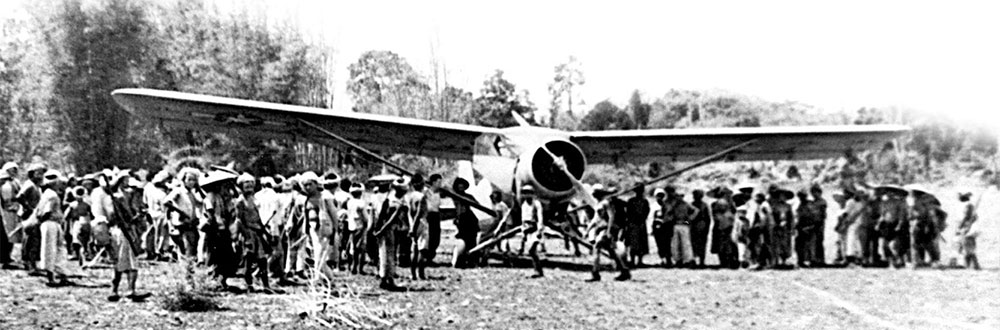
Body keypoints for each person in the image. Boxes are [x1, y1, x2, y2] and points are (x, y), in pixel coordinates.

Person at [107, 170, 150, 302]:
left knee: (129, 261)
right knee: (122, 261)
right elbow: (114, 216)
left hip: (129, 229)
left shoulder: (128, 197)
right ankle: (116, 290)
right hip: (122, 231)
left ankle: (130, 289)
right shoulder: (117, 198)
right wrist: (130, 219)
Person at [235, 173, 275, 293]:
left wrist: (266, 233)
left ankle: (266, 286)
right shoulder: (240, 201)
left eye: (251, 185)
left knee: (262, 260)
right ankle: (249, 285)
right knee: (249, 260)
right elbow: (239, 220)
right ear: (241, 187)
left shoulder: (255, 199)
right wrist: (246, 236)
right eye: (246, 186)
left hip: (257, 232)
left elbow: (258, 217)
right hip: (248, 232)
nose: (249, 188)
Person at [200, 169, 240, 289]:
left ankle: (222, 280)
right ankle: (214, 280)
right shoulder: (211, 197)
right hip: (215, 229)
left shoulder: (222, 197)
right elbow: (210, 213)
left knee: (225, 256)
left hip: (222, 228)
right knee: (215, 255)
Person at [585, 185, 630, 282]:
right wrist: (588, 230)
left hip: (607, 229)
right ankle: (624, 271)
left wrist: (609, 231)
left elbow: (611, 217)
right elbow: (596, 219)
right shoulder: (599, 204)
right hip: (602, 229)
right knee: (612, 251)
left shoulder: (606, 203)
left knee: (597, 247)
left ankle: (595, 273)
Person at [37, 170, 74, 286]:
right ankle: (51, 278)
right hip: (50, 222)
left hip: (54, 222)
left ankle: (61, 275)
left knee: (59, 249)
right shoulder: (51, 195)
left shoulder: (48, 193)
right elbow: (47, 211)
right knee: (50, 249)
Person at [373, 177, 409, 291]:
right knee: (387, 255)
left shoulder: (390, 199)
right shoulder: (395, 201)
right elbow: (390, 219)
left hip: (389, 229)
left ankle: (386, 279)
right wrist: (381, 229)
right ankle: (387, 279)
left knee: (386, 254)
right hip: (388, 229)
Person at [163, 168, 202, 260]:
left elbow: (200, 203)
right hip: (181, 222)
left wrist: (199, 189)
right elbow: (166, 202)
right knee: (185, 244)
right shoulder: (179, 191)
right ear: (183, 180)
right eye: (189, 180)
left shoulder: (191, 193)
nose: (191, 182)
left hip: (190, 221)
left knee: (191, 244)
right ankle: (184, 264)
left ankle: (187, 263)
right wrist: (180, 212)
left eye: (193, 180)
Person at [18, 163, 46, 275]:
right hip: (29, 215)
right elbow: (20, 197)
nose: (40, 175)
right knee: (31, 240)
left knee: (33, 240)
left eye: (42, 173)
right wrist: (28, 208)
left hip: (33, 214)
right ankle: (30, 265)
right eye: (38, 173)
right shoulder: (29, 185)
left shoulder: (37, 186)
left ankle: (31, 263)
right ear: (32, 174)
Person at [450, 178, 479, 268]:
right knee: (462, 240)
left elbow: (477, 204)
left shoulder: (469, 197)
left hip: (470, 219)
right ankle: (460, 259)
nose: (461, 187)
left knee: (471, 240)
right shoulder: (454, 197)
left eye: (463, 185)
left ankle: (472, 260)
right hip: (461, 220)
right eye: (459, 185)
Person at [141, 171, 170, 261]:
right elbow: (164, 207)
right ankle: (158, 252)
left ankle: (150, 251)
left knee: (151, 234)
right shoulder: (162, 194)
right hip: (160, 214)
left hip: (151, 213)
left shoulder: (147, 188)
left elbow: (145, 201)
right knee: (161, 235)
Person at [405, 175, 429, 280]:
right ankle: (421, 273)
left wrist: (411, 226)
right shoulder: (421, 197)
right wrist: (414, 228)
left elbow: (410, 213)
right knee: (422, 250)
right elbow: (419, 213)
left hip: (412, 222)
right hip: (421, 223)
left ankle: (413, 273)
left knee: (414, 250)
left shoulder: (409, 196)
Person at [519, 185, 545, 278]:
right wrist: (523, 232)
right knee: (531, 252)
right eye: (524, 193)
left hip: (534, 229)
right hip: (527, 229)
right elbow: (523, 219)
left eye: (528, 192)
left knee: (531, 250)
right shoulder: (524, 205)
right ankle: (538, 270)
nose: (526, 195)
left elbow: (540, 217)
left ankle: (538, 271)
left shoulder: (536, 203)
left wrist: (540, 229)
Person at [878, 188, 909, 268]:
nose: (889, 193)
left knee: (894, 244)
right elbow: (882, 215)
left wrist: (899, 224)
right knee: (885, 244)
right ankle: (891, 262)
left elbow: (901, 215)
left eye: (891, 192)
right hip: (886, 224)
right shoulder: (884, 203)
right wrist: (878, 224)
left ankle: (899, 259)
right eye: (887, 192)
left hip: (895, 224)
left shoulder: (898, 202)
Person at [344, 182, 370, 275]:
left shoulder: (349, 202)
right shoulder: (361, 203)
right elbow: (365, 217)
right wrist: (368, 224)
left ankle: (351, 266)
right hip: (360, 226)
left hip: (351, 226)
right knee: (361, 248)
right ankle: (359, 268)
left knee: (352, 247)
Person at [710, 187, 738, 268]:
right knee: (724, 245)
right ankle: (726, 262)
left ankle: (726, 262)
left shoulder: (722, 202)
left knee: (723, 245)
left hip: (723, 225)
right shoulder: (724, 202)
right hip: (724, 225)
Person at [668, 189, 696, 268]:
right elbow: (669, 213)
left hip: (684, 225)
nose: (678, 198)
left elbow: (696, 211)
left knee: (685, 243)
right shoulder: (674, 205)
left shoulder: (686, 204)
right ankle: (678, 260)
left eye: (680, 196)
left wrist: (689, 220)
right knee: (676, 244)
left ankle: (688, 260)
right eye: (677, 196)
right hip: (676, 224)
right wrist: (671, 219)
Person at [64, 186, 92, 264]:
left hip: (77, 222)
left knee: (77, 239)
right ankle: (85, 253)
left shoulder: (72, 205)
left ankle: (78, 254)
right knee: (84, 240)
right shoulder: (86, 205)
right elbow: (92, 215)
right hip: (85, 221)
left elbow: (66, 215)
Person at [625, 185, 650, 267]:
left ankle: (640, 261)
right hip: (633, 224)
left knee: (641, 242)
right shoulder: (631, 201)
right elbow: (628, 213)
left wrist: (642, 219)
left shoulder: (645, 201)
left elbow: (646, 212)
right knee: (633, 243)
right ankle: (632, 261)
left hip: (641, 224)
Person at [0, 162, 19, 268]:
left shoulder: (15, 182)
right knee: (4, 236)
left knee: (10, 235)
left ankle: (6, 257)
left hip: (10, 211)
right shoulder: (4, 186)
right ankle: (4, 259)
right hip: (5, 212)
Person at [794, 190, 819, 267]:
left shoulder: (810, 204)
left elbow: (815, 216)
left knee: (811, 245)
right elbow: (797, 216)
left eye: (802, 196)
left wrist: (810, 226)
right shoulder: (799, 205)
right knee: (800, 245)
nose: (801, 198)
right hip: (801, 227)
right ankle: (801, 260)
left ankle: (812, 260)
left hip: (810, 227)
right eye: (800, 196)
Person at [956, 192, 980, 270]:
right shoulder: (970, 205)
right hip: (970, 228)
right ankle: (968, 265)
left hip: (968, 229)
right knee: (966, 247)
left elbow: (966, 217)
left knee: (968, 247)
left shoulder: (968, 206)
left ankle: (975, 265)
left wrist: (960, 228)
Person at [650, 188, 672, 267]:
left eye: (661, 195)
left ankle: (668, 259)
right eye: (658, 195)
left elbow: (670, 215)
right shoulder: (653, 206)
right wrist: (651, 228)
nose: (660, 197)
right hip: (657, 226)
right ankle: (662, 259)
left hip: (666, 226)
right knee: (660, 243)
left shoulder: (667, 205)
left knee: (667, 243)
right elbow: (651, 217)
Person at [689, 189, 710, 267]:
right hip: (696, 226)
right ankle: (695, 260)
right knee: (695, 244)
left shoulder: (704, 205)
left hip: (700, 226)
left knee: (700, 244)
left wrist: (707, 227)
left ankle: (701, 261)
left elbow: (708, 218)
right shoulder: (692, 205)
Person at [424, 174, 443, 262]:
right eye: (439, 182)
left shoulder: (439, 194)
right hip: (428, 216)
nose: (440, 184)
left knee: (436, 237)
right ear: (433, 182)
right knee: (429, 237)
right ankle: (426, 257)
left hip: (436, 216)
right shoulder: (426, 192)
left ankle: (431, 256)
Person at [809, 185, 828, 265]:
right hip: (814, 223)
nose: (814, 194)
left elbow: (823, 214)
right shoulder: (813, 202)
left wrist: (819, 221)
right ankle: (815, 258)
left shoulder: (822, 202)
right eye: (813, 192)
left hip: (819, 224)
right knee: (814, 241)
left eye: (815, 192)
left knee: (819, 241)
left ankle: (821, 259)